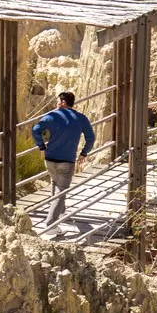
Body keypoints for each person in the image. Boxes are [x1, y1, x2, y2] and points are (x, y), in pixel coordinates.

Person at [31, 91, 96, 230]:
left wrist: (41, 146)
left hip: (49, 159)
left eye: (57, 101)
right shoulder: (81, 118)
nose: (56, 104)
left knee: (56, 183)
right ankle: (51, 224)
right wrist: (84, 153)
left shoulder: (52, 116)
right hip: (67, 161)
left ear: (63, 102)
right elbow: (91, 138)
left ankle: (61, 212)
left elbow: (36, 129)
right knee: (61, 191)